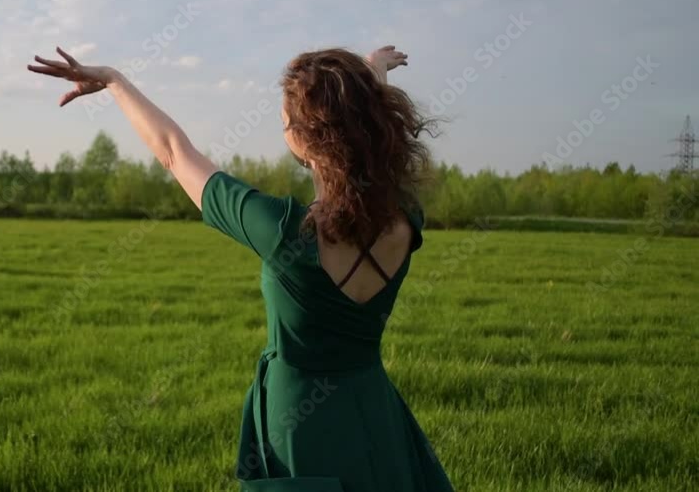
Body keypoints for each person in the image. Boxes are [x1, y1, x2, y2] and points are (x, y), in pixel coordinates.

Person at [28, 44, 455, 491]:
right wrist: (371, 75)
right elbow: (364, 135)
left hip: (299, 423)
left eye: (286, 120)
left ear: (305, 140)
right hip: (373, 407)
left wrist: (116, 81)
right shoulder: (405, 217)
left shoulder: (283, 231)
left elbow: (174, 152)